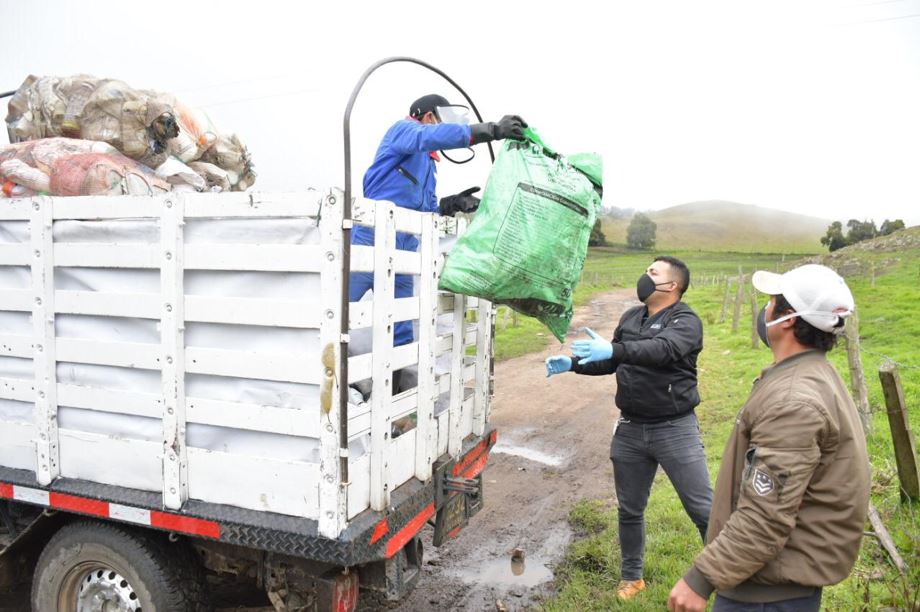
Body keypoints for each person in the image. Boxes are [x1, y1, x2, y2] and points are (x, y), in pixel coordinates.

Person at [667, 263, 870, 612]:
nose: (765, 310)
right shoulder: (813, 373)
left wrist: (700, 580)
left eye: (772, 302)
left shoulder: (793, 401)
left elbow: (765, 515)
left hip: (767, 593)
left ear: (788, 318)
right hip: (780, 583)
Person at [545, 256, 713, 601]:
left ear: (672, 286)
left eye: (653, 273)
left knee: (702, 509)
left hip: (674, 428)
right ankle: (632, 578)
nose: (644, 277)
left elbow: (662, 350)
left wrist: (615, 347)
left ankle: (726, 575)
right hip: (631, 429)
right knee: (630, 508)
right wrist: (573, 364)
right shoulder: (631, 317)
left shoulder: (685, 321)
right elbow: (612, 360)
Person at [351, 94, 526, 348]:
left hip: (404, 249)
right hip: (371, 239)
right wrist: (492, 130)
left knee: (400, 323)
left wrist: (452, 203)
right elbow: (428, 136)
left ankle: (399, 384)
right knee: (340, 308)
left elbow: (427, 210)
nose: (444, 129)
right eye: (442, 122)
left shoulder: (428, 163)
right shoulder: (403, 131)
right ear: (429, 117)